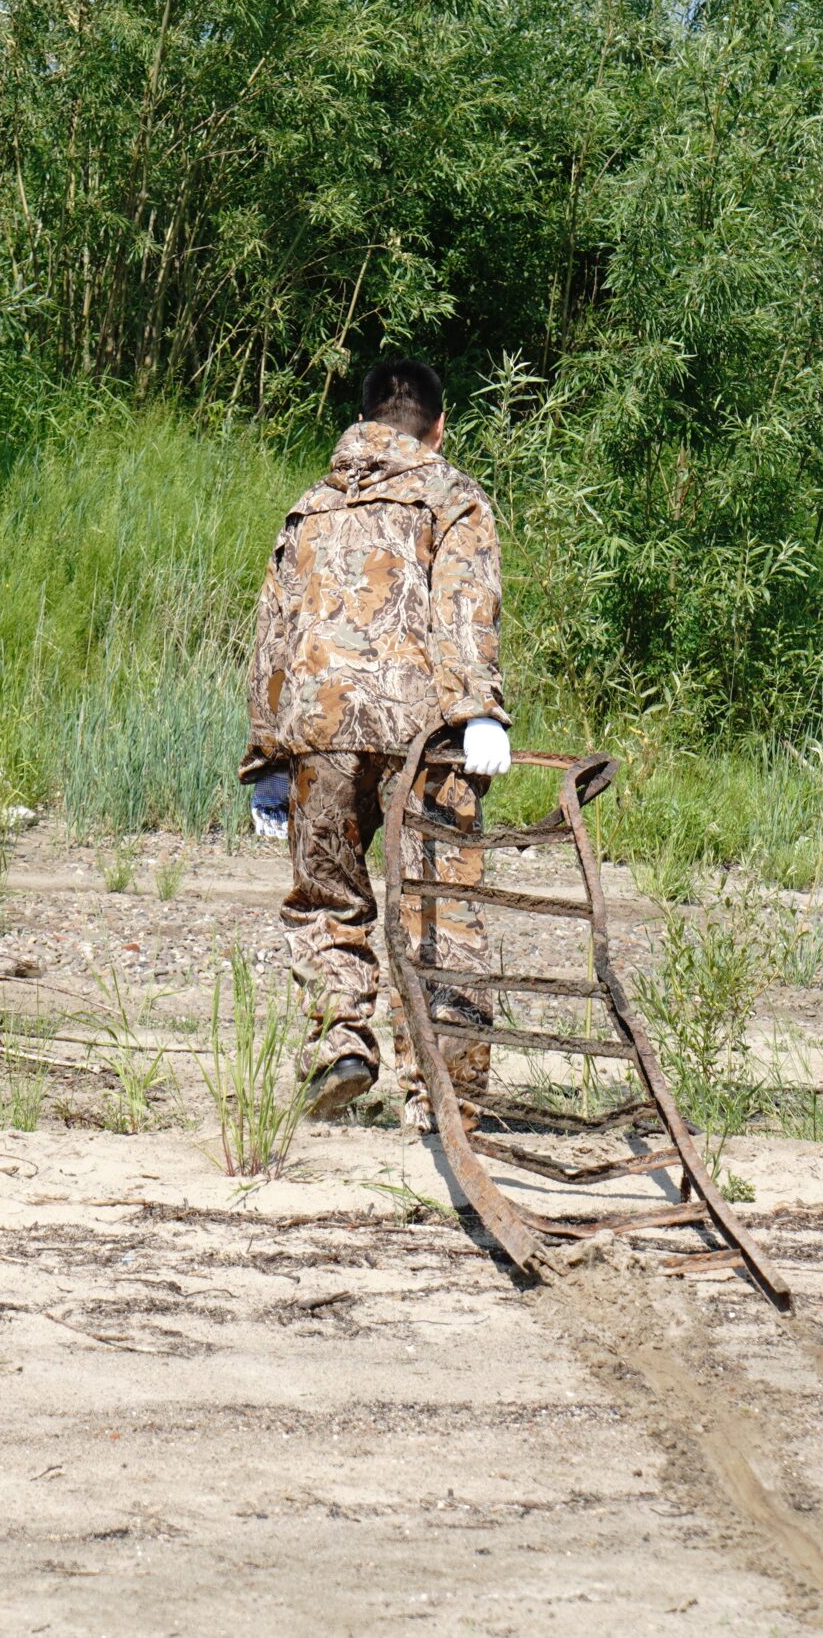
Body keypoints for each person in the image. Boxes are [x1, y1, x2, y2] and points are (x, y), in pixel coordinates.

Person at [240, 358, 510, 1123]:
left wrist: (269, 752)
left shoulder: (310, 507)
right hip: (427, 730)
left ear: (363, 420)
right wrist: (479, 709)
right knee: (438, 902)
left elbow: (274, 635)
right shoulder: (453, 498)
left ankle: (341, 1049)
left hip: (320, 728)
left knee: (329, 896)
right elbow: (465, 605)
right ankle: (449, 1089)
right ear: (439, 424)